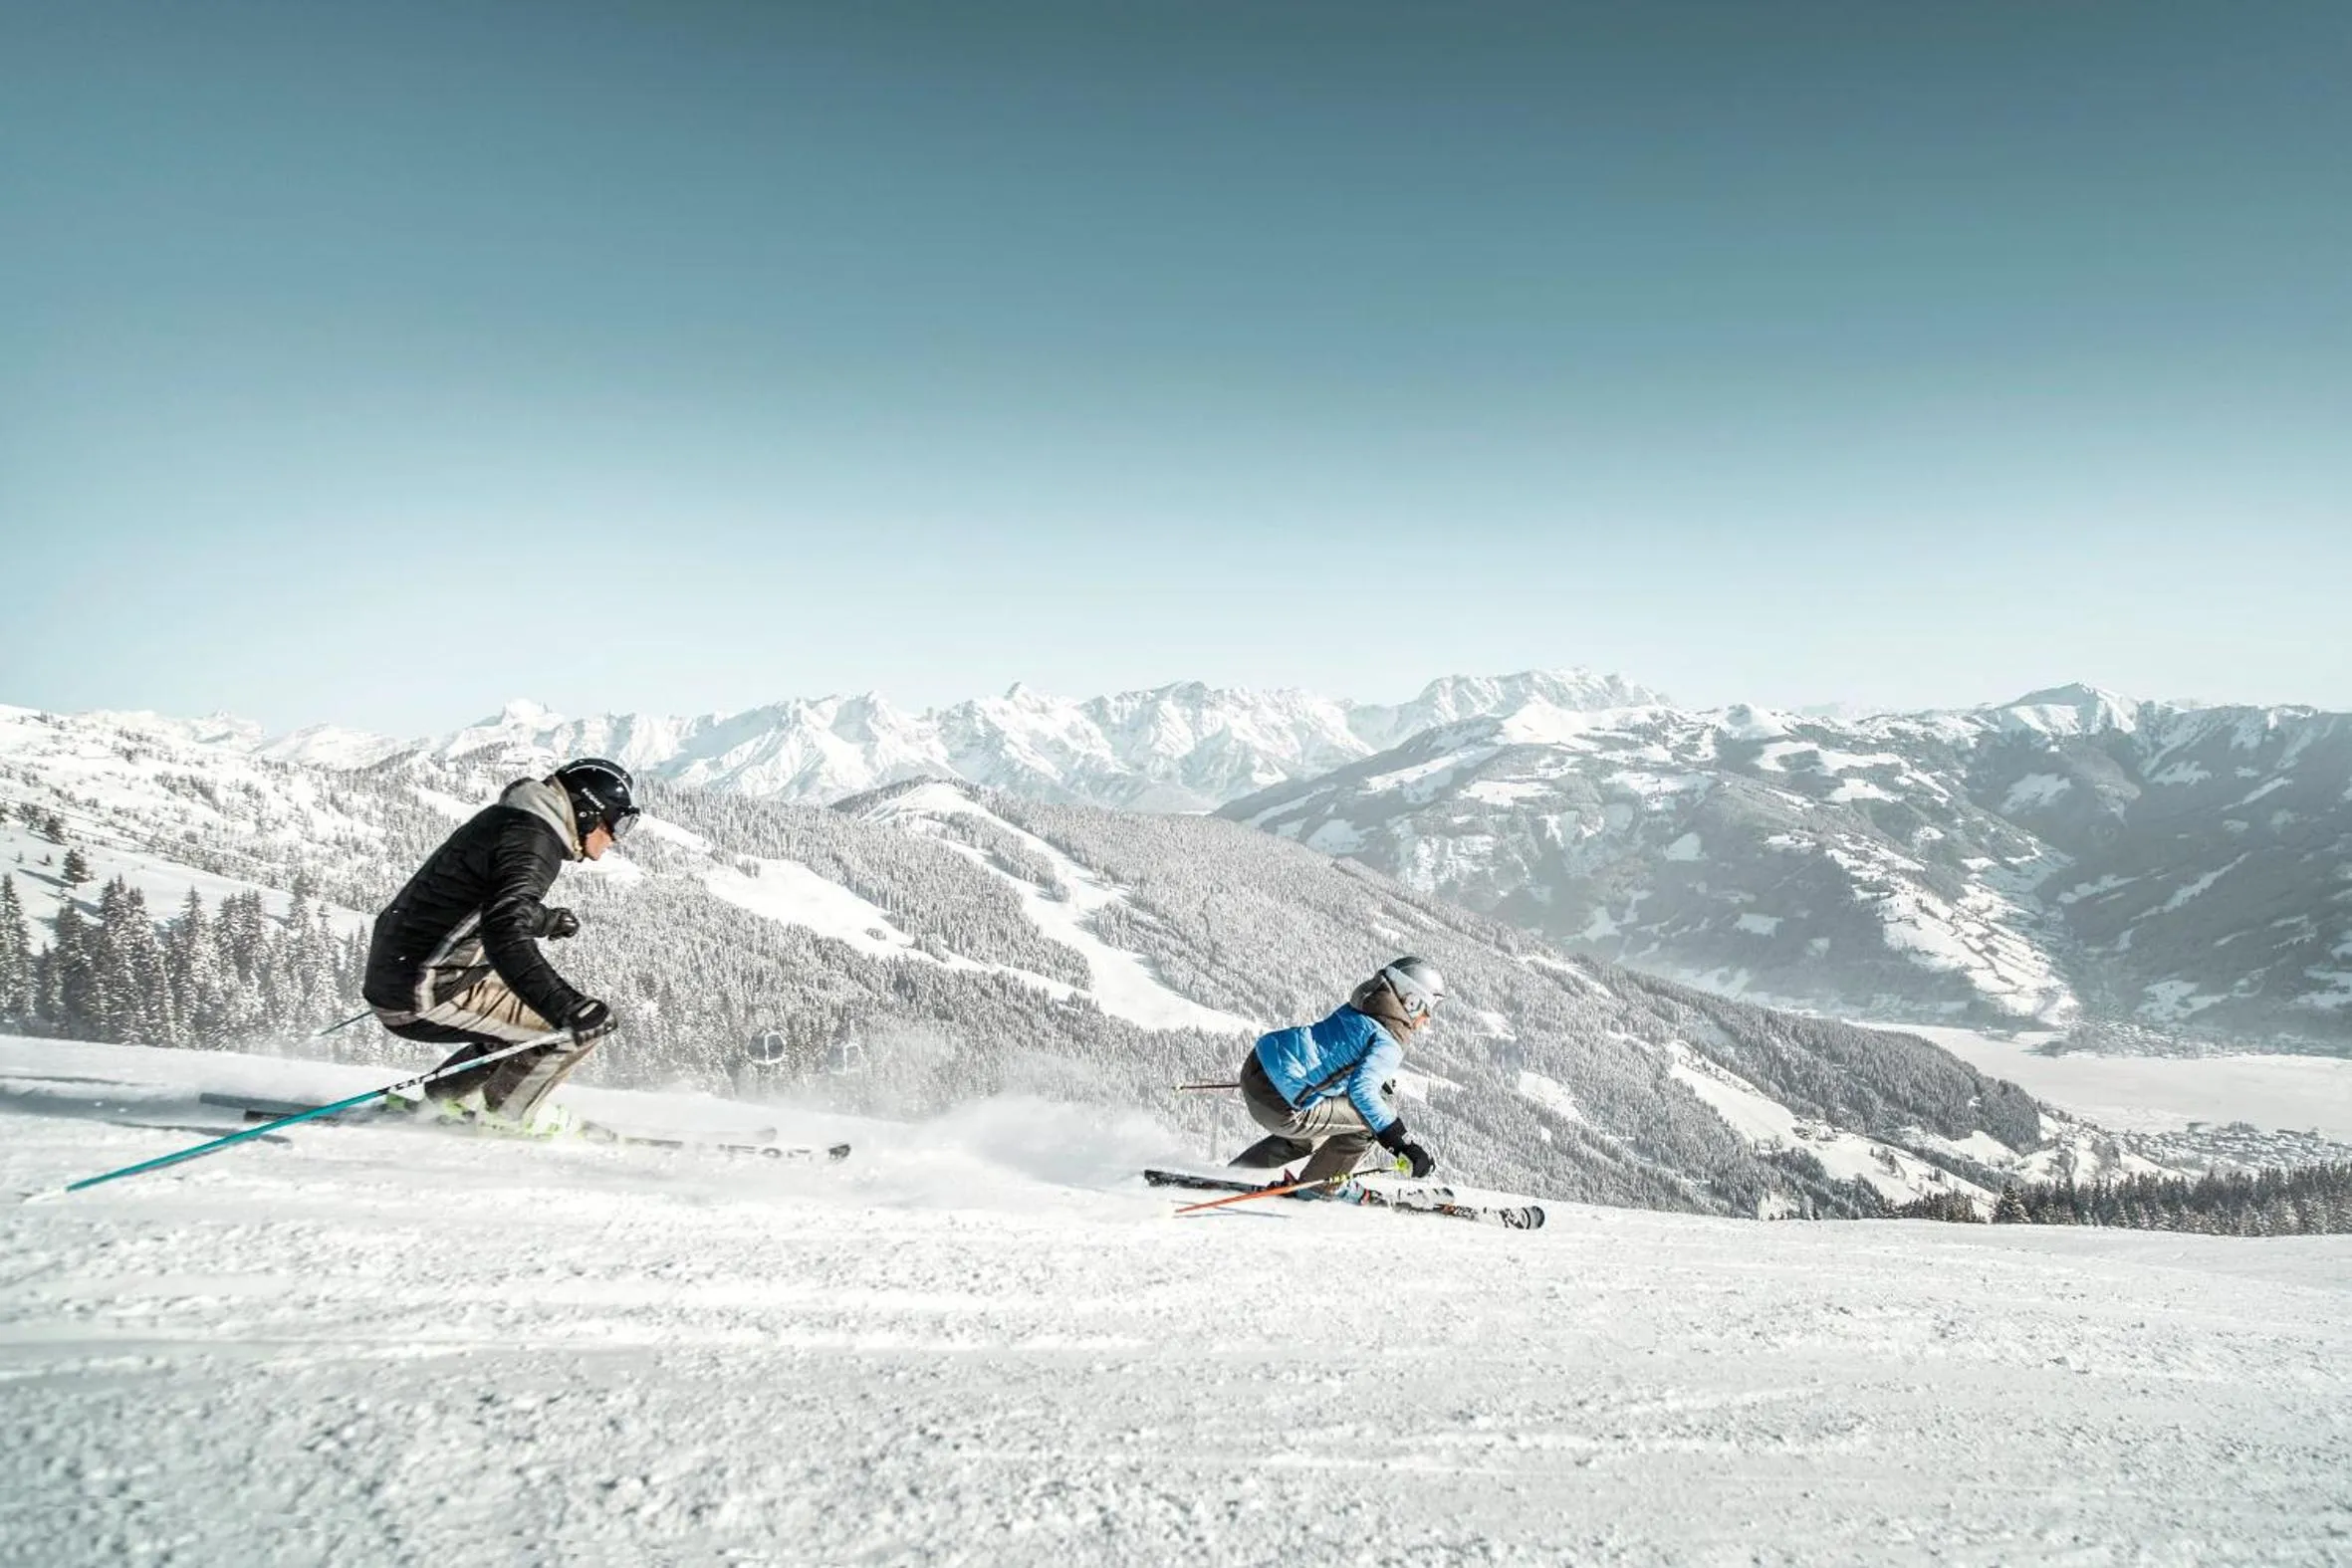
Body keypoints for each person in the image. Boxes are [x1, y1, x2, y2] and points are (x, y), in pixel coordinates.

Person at [362, 758, 637, 1126]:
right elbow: (504, 928)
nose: (617, 837)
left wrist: (545, 919)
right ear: (587, 811)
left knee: (522, 1026)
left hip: (403, 974)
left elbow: (485, 902)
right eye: (619, 821)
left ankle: (443, 1100)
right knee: (573, 1029)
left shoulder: (512, 824)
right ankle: (508, 1119)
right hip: (425, 988)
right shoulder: (533, 842)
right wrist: (565, 1007)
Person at [1229, 957, 1444, 1194]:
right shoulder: (1388, 1041)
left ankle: (1236, 1172)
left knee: (1314, 1133)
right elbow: (1362, 1094)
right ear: (1411, 1000)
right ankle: (1320, 1187)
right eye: (1427, 1008)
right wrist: (1403, 1145)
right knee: (1368, 1123)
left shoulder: (1362, 1006)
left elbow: (1334, 1055)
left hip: (1256, 1070)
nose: (1427, 1019)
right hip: (1281, 1107)